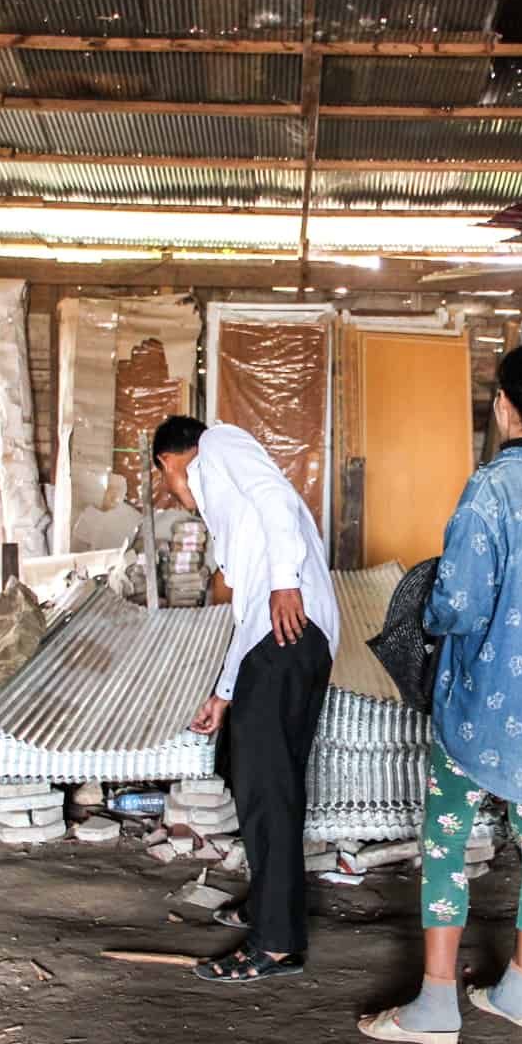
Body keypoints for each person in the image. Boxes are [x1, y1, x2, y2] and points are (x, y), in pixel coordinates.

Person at [359, 345, 522, 1044]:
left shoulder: (493, 488)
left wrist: (428, 612)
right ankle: (517, 991)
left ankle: (438, 1004)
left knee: (445, 842)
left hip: (482, 701)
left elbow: (457, 605)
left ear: (504, 406)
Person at [153, 416, 339, 983]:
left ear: (171, 460)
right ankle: (270, 909)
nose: (170, 491)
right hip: (275, 636)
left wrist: (286, 580)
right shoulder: (228, 517)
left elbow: (277, 498)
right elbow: (246, 613)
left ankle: (277, 943)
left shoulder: (218, 444)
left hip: (290, 629)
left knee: (267, 787)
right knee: (253, 773)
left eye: (165, 477)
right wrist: (224, 693)